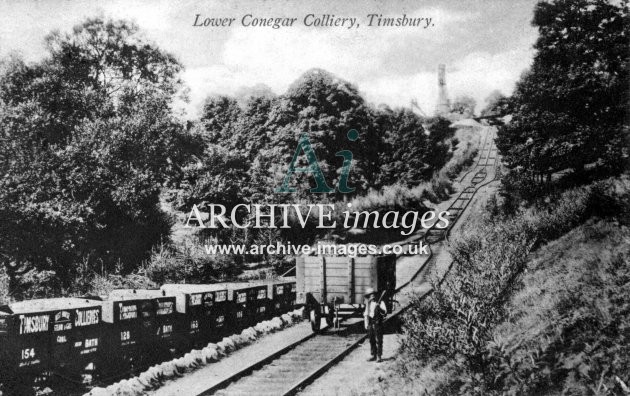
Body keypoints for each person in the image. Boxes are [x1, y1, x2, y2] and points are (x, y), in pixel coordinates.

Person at [364, 287, 387, 362]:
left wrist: (379, 307)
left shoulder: (381, 302)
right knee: (371, 339)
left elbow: (384, 313)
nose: (372, 296)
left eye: (373, 295)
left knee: (379, 340)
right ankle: (373, 355)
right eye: (370, 295)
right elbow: (366, 314)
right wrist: (366, 324)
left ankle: (379, 356)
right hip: (371, 323)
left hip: (378, 323)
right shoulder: (368, 304)